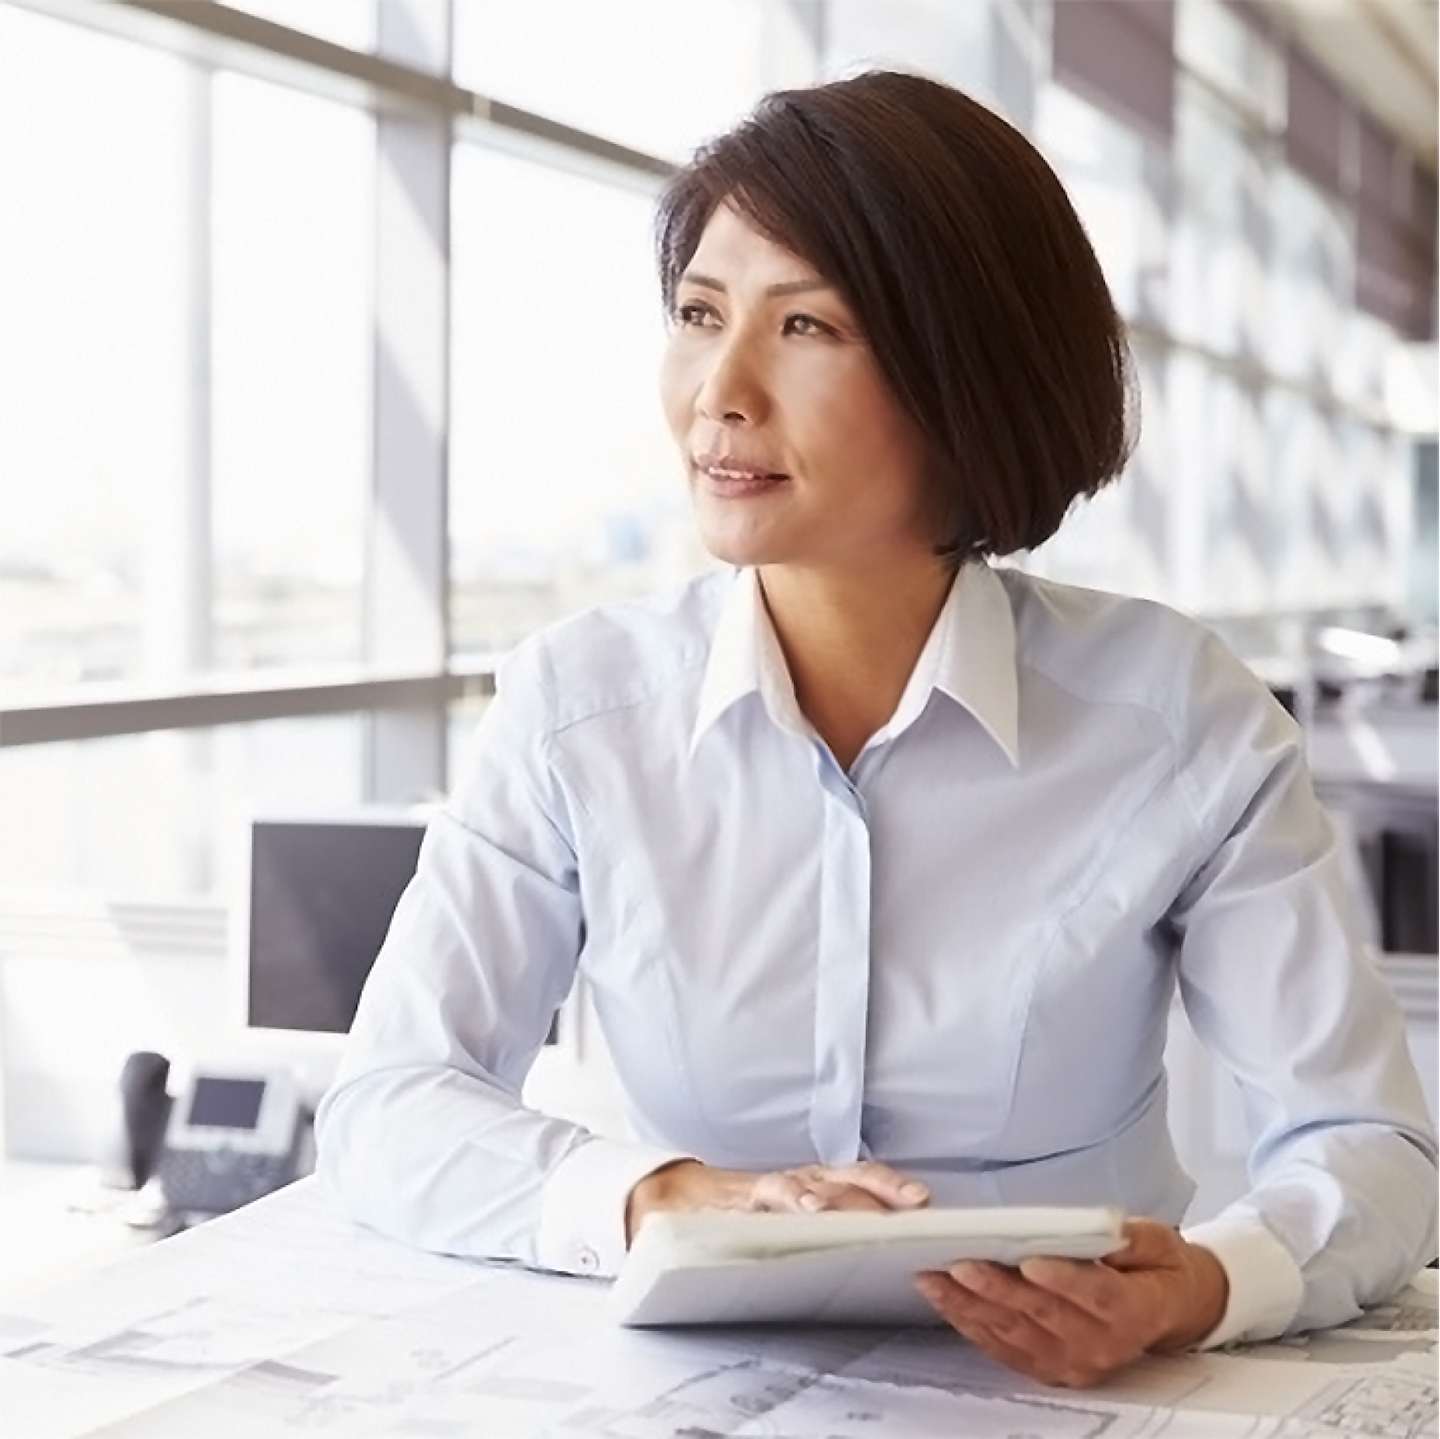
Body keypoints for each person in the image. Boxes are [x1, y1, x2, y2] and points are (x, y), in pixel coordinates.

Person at [315, 70, 1437, 1388]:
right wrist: (660, 1197)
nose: (717, 393)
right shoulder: (582, 707)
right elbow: (390, 1107)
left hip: (1063, 1396)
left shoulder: (1178, 718)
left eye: (807, 328)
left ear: (964, 374)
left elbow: (1369, 1150)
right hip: (683, 1397)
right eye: (698, 315)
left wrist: (1208, 1282)